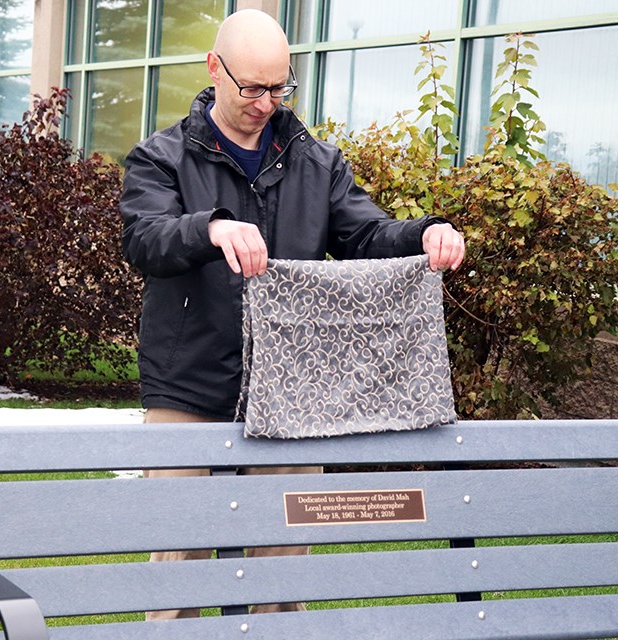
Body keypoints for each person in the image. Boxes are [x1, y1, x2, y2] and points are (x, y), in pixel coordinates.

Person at [119, 8, 465, 620]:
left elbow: (367, 235)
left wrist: (426, 234)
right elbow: (146, 240)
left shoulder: (318, 163)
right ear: (212, 68)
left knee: (281, 579)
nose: (265, 103)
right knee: (176, 576)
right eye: (251, 86)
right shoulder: (160, 158)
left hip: (295, 396)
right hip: (188, 390)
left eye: (279, 87)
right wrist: (211, 228)